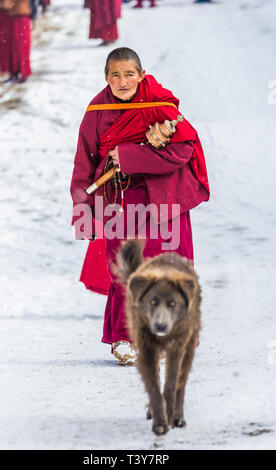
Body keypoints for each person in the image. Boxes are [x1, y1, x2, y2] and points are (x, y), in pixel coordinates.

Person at [70, 48, 210, 365]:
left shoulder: (159, 105)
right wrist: (83, 208)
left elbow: (181, 152)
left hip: (165, 199)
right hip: (120, 199)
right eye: (115, 74)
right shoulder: (97, 110)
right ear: (106, 77)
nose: (123, 81)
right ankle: (124, 337)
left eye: (129, 73)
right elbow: (84, 161)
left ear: (142, 75)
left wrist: (129, 157)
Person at [0, 0, 32, 82]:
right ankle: (12, 73)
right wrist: (0, 4)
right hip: (5, 15)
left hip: (19, 14)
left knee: (20, 45)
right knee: (8, 46)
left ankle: (23, 71)